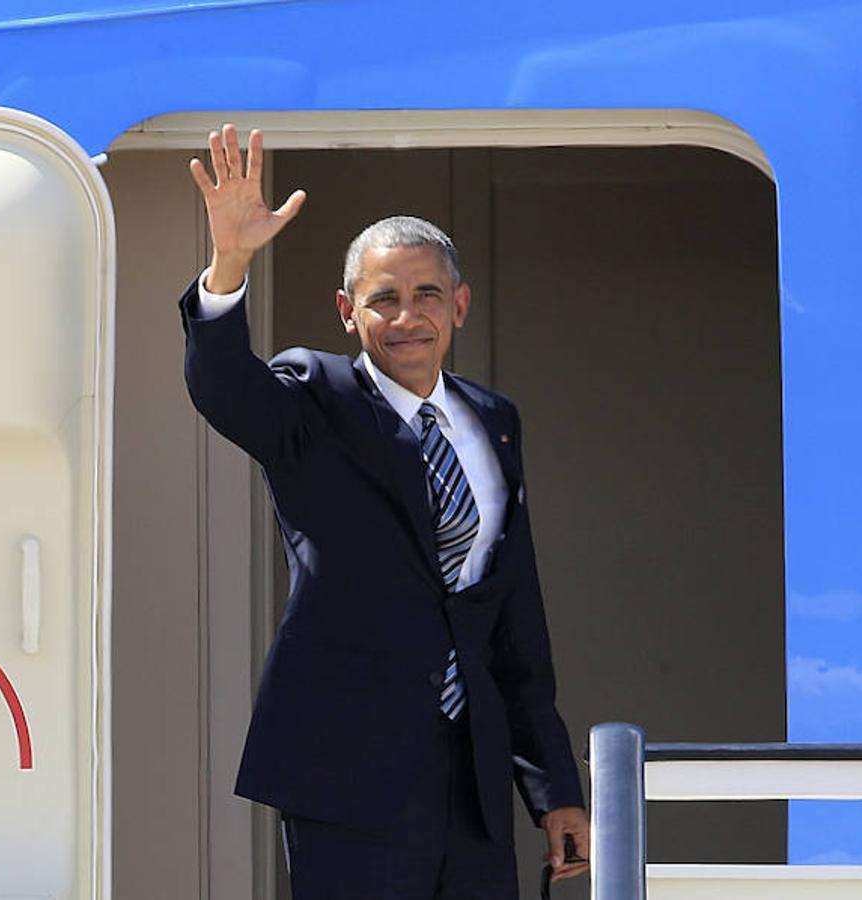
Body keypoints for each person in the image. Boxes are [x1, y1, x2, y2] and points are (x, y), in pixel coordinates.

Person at [180, 124, 590, 899]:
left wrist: (552, 788)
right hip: (347, 769)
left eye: (426, 295)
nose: (407, 316)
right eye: (384, 300)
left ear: (459, 305)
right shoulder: (316, 396)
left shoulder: (493, 419)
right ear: (347, 310)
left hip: (470, 780)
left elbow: (513, 623)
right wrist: (228, 264)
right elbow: (225, 390)